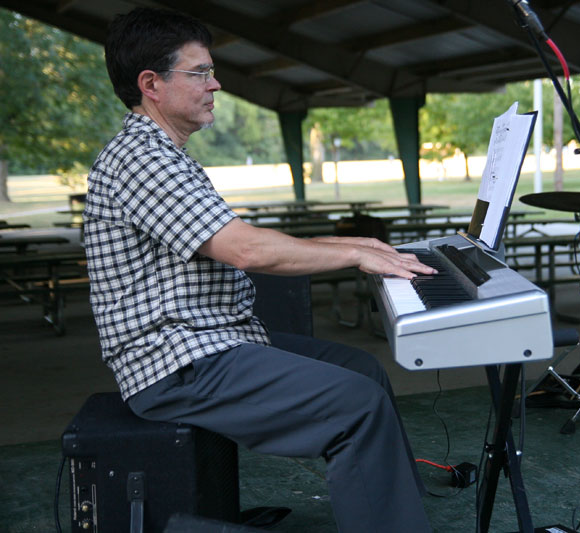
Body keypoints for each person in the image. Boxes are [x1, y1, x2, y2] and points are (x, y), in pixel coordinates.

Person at [83, 7, 433, 532]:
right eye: (200, 73)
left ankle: (395, 509)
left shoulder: (166, 154)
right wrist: (356, 255)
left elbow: (243, 240)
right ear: (151, 84)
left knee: (364, 371)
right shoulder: (142, 158)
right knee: (356, 405)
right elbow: (246, 250)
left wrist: (354, 241)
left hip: (215, 342)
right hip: (177, 362)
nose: (216, 84)